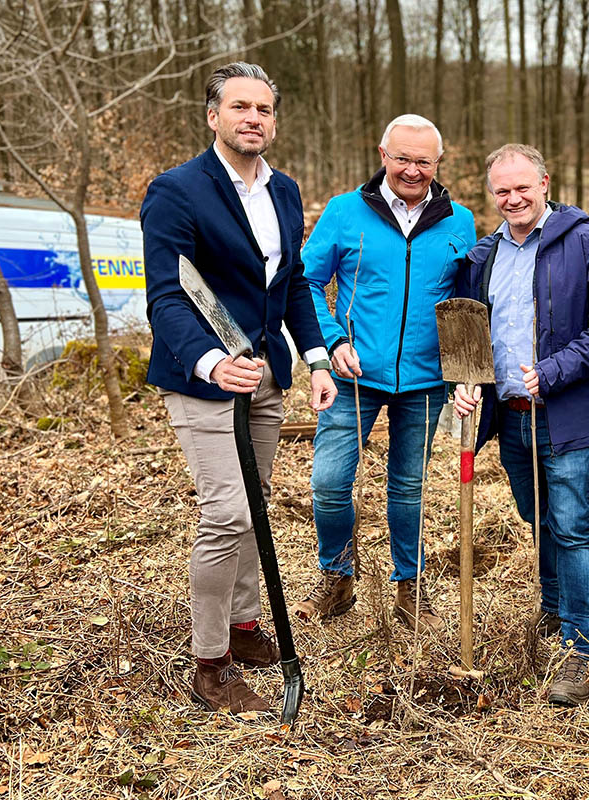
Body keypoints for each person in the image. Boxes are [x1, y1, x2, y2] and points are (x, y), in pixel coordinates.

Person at [142, 62, 337, 712]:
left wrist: (315, 358)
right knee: (226, 512)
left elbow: (293, 283)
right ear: (213, 116)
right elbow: (168, 298)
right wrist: (208, 362)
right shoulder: (176, 191)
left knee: (256, 505)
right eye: (240, 107)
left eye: (264, 109)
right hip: (201, 380)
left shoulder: (283, 191)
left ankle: (246, 627)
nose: (253, 118)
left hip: (264, 377)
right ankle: (211, 663)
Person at [452, 144, 589, 705]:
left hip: (567, 412)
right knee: (540, 518)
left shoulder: (585, 242)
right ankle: (554, 610)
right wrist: (467, 383)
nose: (513, 198)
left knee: (573, 524)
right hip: (510, 415)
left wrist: (552, 372)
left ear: (545, 182)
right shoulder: (484, 256)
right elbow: (473, 333)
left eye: (522, 187)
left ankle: (581, 647)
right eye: (502, 190)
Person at [295, 114, 477, 631]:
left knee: (408, 488)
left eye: (424, 161)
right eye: (402, 158)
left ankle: (408, 587)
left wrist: (465, 372)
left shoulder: (459, 222)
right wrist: (333, 341)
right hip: (353, 378)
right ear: (382, 155)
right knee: (330, 483)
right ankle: (337, 578)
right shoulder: (344, 212)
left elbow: (468, 302)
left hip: (424, 383)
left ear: (439, 163)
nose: (412, 170)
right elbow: (306, 285)